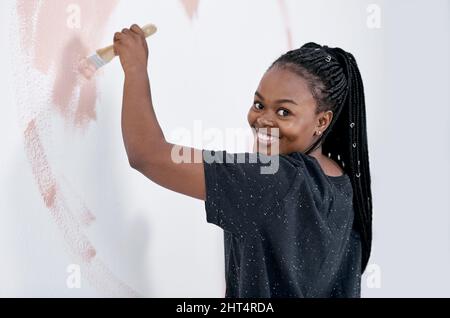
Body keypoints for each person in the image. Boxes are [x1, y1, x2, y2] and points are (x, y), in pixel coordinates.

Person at [114, 24, 372, 298]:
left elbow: (148, 155)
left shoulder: (270, 180)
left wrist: (135, 69)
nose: (263, 120)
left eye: (284, 112)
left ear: (322, 121)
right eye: (259, 104)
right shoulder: (341, 182)